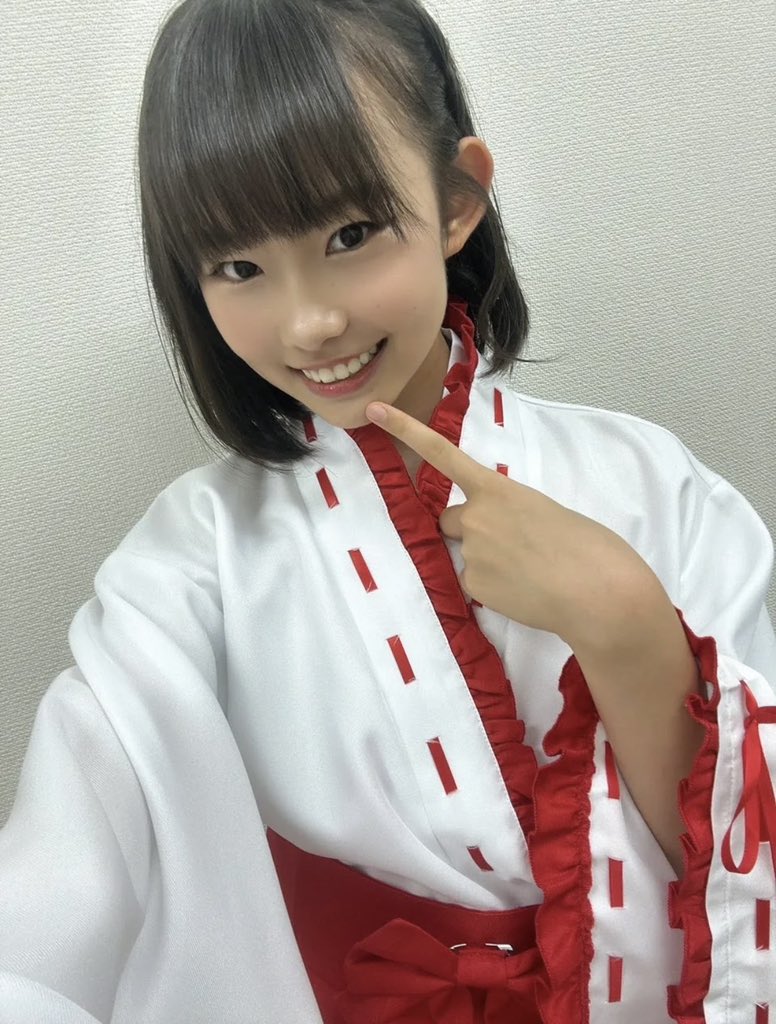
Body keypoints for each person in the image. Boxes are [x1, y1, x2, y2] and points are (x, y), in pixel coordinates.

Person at [1, 0, 775, 1020]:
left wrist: (624, 622)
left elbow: (748, 890)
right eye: (239, 266)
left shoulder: (650, 487)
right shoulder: (187, 569)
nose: (309, 321)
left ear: (457, 200)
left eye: (351, 233)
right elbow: (51, 908)